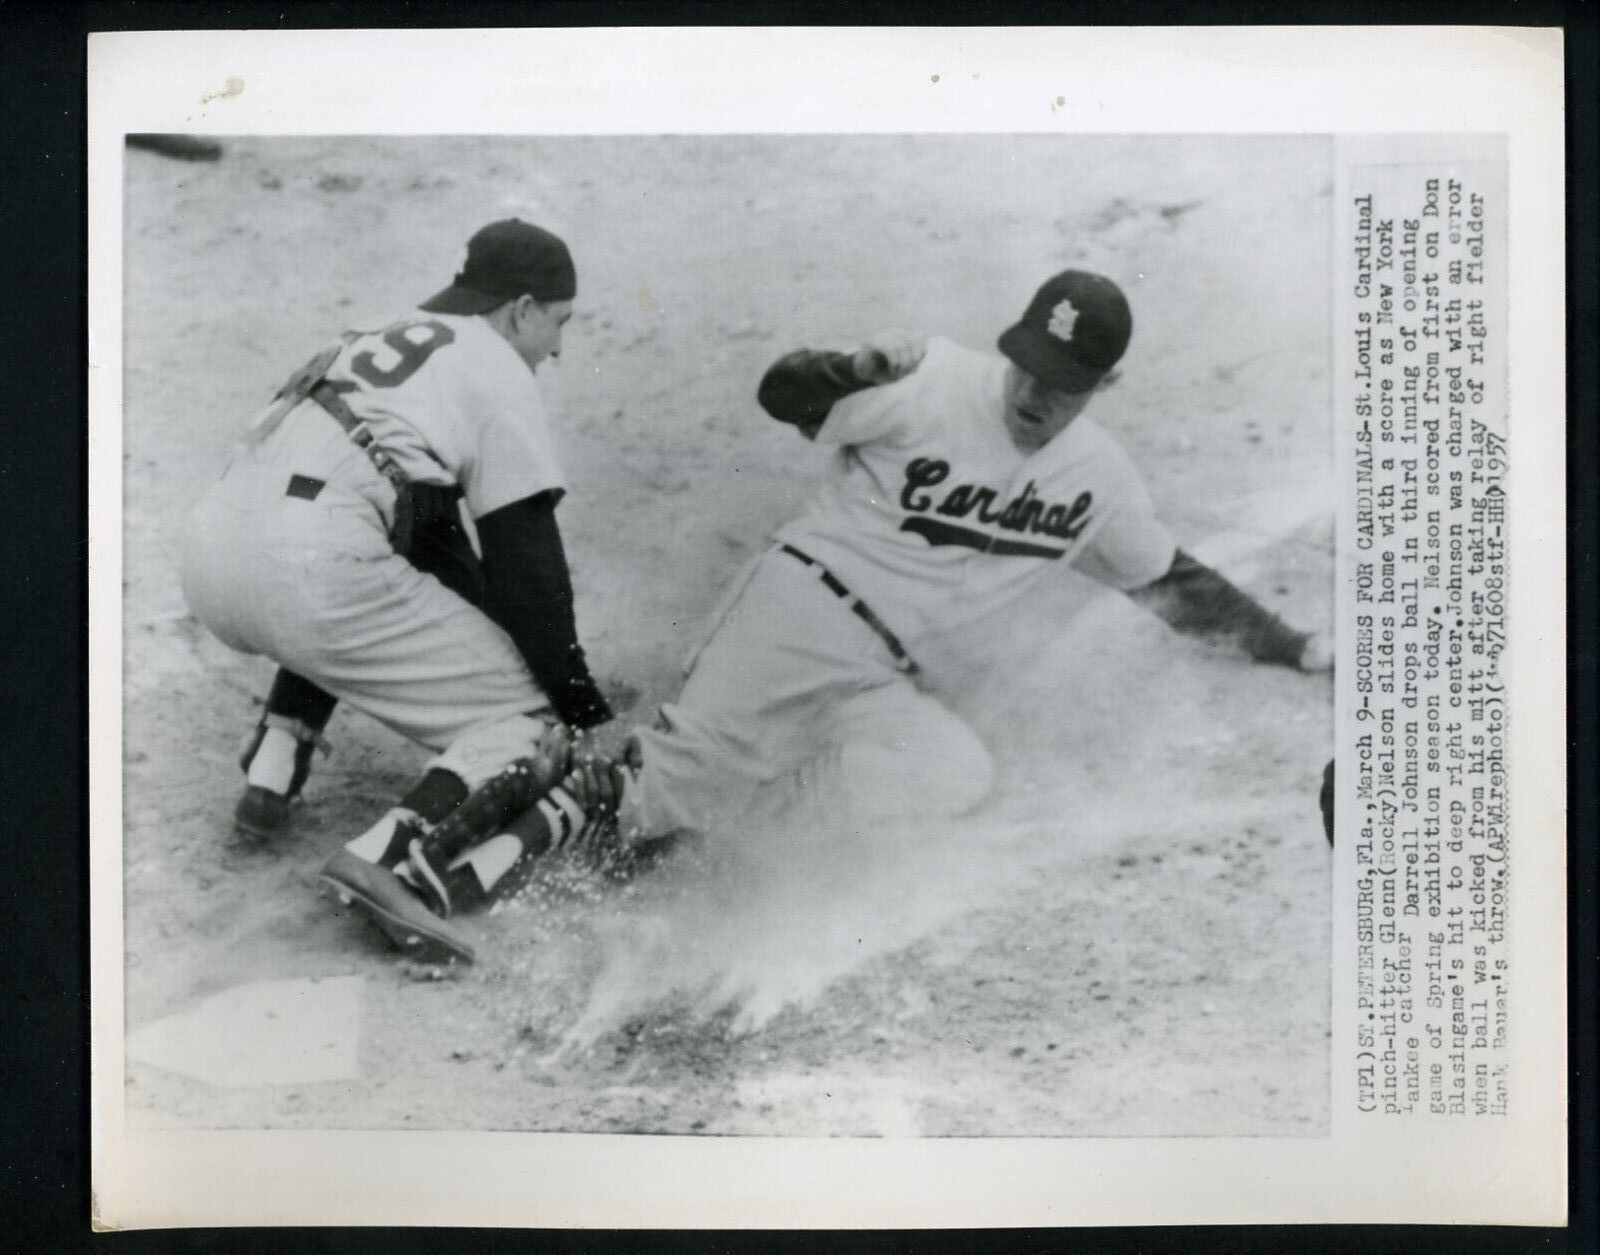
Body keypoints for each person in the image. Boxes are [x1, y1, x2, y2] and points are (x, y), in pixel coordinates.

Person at [389, 267, 1333, 950]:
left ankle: (707, 842)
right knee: (669, 776)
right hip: (798, 608)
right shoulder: (935, 379)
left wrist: (1291, 645)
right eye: (1029, 363)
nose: (1036, 391)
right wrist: (846, 366)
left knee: (952, 769)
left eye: (1065, 380)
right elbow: (779, 393)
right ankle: (443, 875)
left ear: (1105, 385)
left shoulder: (1101, 483)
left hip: (884, 678)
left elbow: (1172, 582)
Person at [182, 218, 618, 964]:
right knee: (527, 716)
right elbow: (529, 574)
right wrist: (584, 713)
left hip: (210, 551)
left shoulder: (375, 332)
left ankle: (275, 762)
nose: (558, 347)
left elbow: (434, 559)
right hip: (313, 569)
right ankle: (383, 859)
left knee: (379, 568)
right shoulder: (497, 366)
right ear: (519, 309)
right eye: (557, 322)